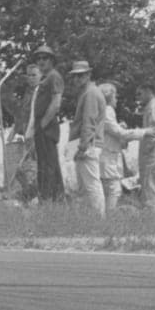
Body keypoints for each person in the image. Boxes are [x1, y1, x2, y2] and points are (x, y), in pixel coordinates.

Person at [66, 61, 106, 214]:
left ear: (89, 74)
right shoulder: (87, 92)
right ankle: (90, 218)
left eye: (80, 76)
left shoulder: (90, 93)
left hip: (88, 144)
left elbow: (89, 122)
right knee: (84, 186)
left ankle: (99, 218)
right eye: (75, 76)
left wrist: (82, 147)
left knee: (91, 184)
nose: (77, 79)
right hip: (85, 142)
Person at [0, 62, 41, 203]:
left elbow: (38, 117)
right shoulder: (28, 93)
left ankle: (31, 198)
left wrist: (34, 136)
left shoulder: (41, 92)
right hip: (26, 136)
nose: (31, 78)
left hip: (38, 136)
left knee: (31, 169)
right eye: (28, 75)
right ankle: (24, 198)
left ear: (41, 76)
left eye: (34, 75)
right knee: (22, 169)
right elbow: (22, 115)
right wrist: (13, 133)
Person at [98, 82, 141, 215]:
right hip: (108, 157)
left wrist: (119, 127)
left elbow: (113, 130)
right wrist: (143, 134)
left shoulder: (104, 111)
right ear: (109, 97)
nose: (116, 99)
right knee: (113, 189)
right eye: (115, 96)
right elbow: (118, 132)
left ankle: (105, 216)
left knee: (109, 189)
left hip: (108, 156)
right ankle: (108, 217)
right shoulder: (107, 110)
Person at [30, 45, 66, 202]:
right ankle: (56, 199)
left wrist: (44, 123)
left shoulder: (53, 76)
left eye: (45, 58)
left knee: (48, 165)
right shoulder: (45, 78)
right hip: (41, 126)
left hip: (47, 126)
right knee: (46, 164)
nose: (41, 61)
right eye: (38, 58)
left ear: (52, 60)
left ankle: (48, 199)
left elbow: (56, 102)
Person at [132, 83, 155, 215]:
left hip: (152, 152)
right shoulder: (150, 107)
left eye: (139, 94)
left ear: (148, 91)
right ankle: (153, 216)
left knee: (151, 186)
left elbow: (154, 131)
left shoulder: (153, 108)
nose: (137, 97)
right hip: (151, 151)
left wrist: (146, 150)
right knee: (149, 186)